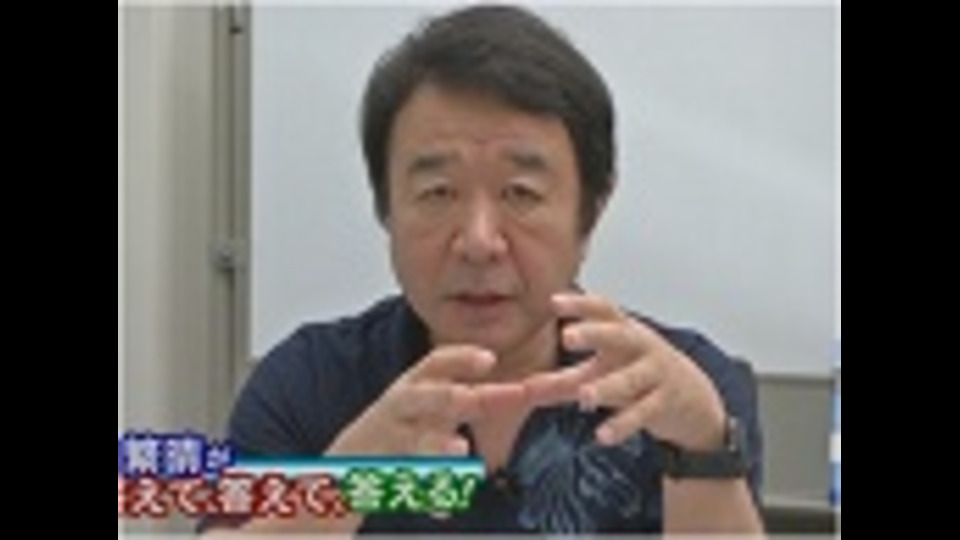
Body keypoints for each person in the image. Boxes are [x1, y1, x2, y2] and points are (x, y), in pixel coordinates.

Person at [203, 4, 764, 535]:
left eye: (520, 193)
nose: (477, 242)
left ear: (590, 210)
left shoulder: (684, 392)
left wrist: (703, 451)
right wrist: (354, 476)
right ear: (385, 207)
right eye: (437, 192)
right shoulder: (307, 384)